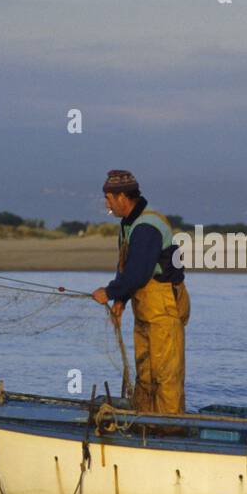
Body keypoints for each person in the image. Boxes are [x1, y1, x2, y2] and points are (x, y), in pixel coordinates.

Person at [91, 169, 190, 414]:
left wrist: (110, 292)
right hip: (145, 307)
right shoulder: (129, 225)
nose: (107, 204)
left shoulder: (147, 226)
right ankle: (145, 422)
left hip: (164, 305)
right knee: (145, 372)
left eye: (109, 198)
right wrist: (122, 299)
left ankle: (169, 431)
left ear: (123, 197)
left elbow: (138, 272)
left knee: (166, 373)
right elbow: (126, 267)